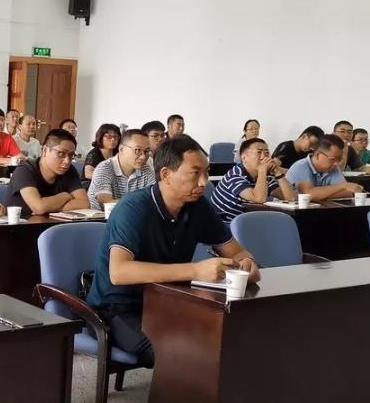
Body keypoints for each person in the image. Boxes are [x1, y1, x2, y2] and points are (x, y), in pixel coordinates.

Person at [86, 135, 260, 367]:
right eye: (195, 173)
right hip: (117, 309)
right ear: (166, 174)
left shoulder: (198, 206)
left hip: (169, 301)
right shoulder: (133, 208)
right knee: (176, 353)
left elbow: (237, 253)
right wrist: (195, 271)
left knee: (231, 336)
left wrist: (247, 263)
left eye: (206, 173)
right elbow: (119, 272)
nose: (204, 183)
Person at [211, 138, 297, 223]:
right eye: (259, 152)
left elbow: (291, 198)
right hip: (227, 225)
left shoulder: (265, 176)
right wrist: (262, 170)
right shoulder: (235, 175)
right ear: (244, 157)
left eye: (267, 153)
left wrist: (277, 172)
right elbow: (259, 199)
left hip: (250, 221)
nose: (264, 157)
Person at [8, 129, 88, 217]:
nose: (67, 161)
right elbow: (38, 207)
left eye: (71, 155)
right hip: (23, 224)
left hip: (55, 223)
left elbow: (84, 203)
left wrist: (48, 208)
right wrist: (65, 196)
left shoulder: (69, 170)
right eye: (61, 153)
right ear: (45, 150)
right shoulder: (25, 170)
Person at [87, 130, 156, 210]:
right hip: (101, 217)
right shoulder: (104, 168)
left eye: (147, 151)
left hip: (134, 215)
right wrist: (142, 204)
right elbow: (107, 205)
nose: (143, 157)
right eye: (138, 150)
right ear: (121, 149)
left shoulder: (146, 170)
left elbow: (155, 201)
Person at [284, 135, 364, 202]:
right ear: (318, 155)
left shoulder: (333, 167)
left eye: (339, 159)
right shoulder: (301, 166)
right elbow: (308, 194)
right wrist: (342, 186)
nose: (336, 163)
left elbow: (348, 192)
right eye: (333, 159)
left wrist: (319, 195)